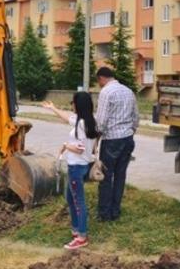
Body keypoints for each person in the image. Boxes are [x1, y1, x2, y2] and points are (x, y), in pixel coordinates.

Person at [42, 93, 99, 251]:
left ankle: (81, 237)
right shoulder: (89, 121)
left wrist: (66, 146)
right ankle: (76, 229)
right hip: (83, 165)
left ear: (78, 105)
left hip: (76, 167)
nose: (71, 105)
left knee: (78, 202)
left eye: (72, 102)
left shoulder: (81, 124)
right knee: (70, 197)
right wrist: (53, 108)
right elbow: (67, 118)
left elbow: (79, 149)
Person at [94, 66, 139, 222]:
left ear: (101, 78)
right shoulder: (128, 91)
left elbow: (101, 122)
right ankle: (115, 211)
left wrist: (96, 139)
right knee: (120, 176)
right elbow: (136, 117)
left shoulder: (106, 92)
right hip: (127, 138)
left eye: (98, 81)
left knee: (105, 177)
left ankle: (104, 214)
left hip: (111, 140)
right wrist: (130, 131)